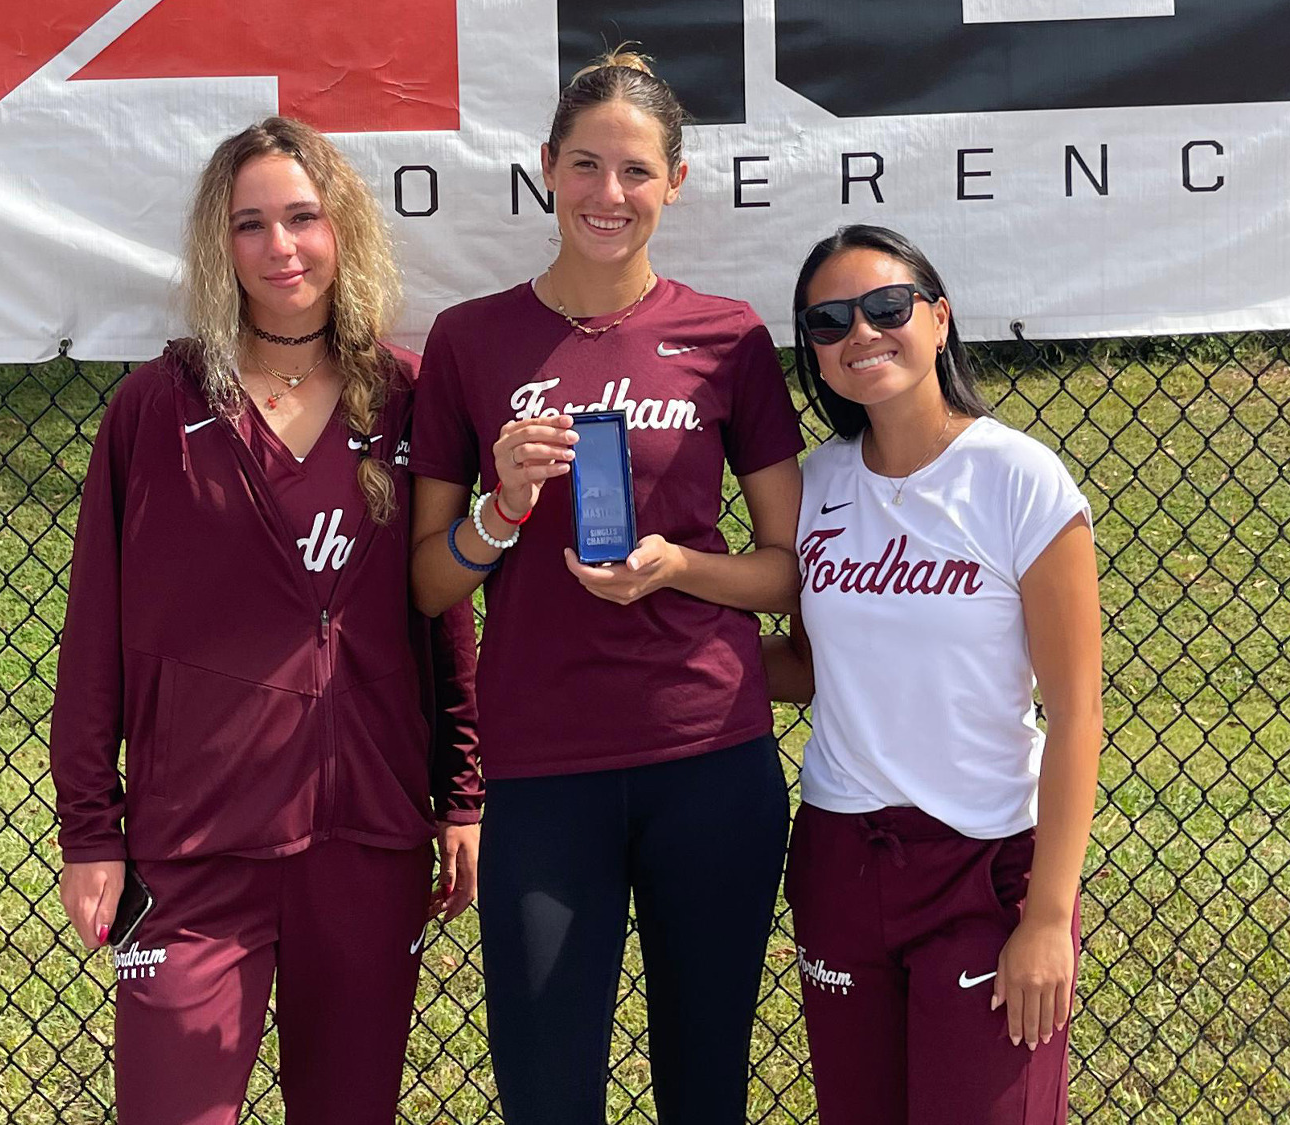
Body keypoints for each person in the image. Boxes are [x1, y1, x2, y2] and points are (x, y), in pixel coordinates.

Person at [48, 116, 482, 1125]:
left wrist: (460, 792)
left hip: (364, 835)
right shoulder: (157, 410)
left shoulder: (405, 395)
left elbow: (440, 612)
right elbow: (93, 637)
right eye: (251, 225)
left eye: (302, 217)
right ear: (218, 242)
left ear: (343, 231)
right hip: (194, 843)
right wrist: (89, 831)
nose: (281, 247)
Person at [405, 50, 805, 1125]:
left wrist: (676, 567)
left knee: (704, 1083)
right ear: (544, 169)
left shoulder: (727, 341)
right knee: (544, 1092)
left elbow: (782, 568)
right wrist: (501, 510)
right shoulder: (469, 341)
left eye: (634, 172)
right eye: (585, 166)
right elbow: (430, 580)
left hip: (708, 759)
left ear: (674, 182)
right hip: (543, 772)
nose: (607, 195)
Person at [765, 224, 1103, 1125]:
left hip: (985, 863)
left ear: (940, 318)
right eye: (830, 322)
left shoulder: (1019, 480)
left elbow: (1076, 715)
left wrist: (1046, 916)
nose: (862, 333)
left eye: (886, 307)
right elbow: (805, 664)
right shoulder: (819, 483)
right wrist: (667, 641)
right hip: (844, 855)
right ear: (817, 358)